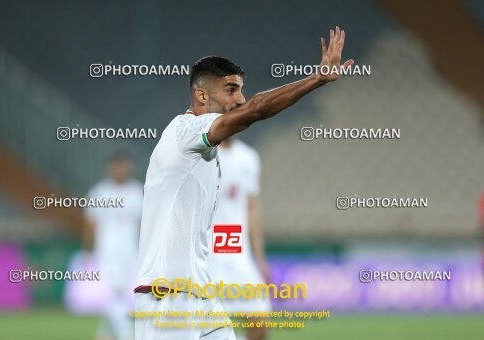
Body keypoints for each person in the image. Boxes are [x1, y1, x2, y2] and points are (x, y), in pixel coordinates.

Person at [135, 27, 353, 340]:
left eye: (242, 90)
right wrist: (315, 79)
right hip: (165, 294)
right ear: (201, 95)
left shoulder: (211, 152)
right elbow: (256, 110)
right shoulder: (185, 132)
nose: (240, 99)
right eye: (231, 90)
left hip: (200, 292)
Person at [208, 137, 271, 340]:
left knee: (260, 321)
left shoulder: (248, 158)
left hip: (238, 253)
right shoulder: (203, 155)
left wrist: (260, 259)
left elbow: (252, 208)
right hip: (208, 255)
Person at [84, 151, 143, 340]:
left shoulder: (138, 191)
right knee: (113, 294)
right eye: (117, 165)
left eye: (124, 164)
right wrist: (89, 252)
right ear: (110, 167)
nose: (121, 169)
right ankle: (126, 334)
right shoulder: (99, 192)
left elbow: (145, 224)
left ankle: (105, 334)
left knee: (124, 295)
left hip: (131, 252)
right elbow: (91, 224)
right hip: (106, 251)